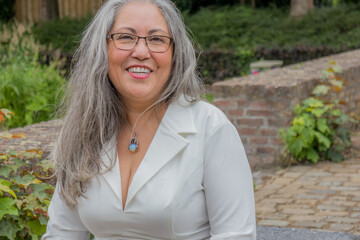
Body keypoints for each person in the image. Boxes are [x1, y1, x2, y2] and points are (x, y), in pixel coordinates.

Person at [42, 0, 256, 239]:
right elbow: (62, 233)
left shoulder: (211, 129)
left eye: (157, 39)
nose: (141, 52)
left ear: (175, 54)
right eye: (125, 37)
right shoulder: (83, 129)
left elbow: (235, 234)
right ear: (102, 49)